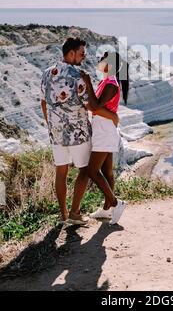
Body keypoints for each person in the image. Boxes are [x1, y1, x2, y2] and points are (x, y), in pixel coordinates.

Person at [40, 38, 118, 225]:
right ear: (71, 53)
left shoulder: (46, 73)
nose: (84, 57)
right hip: (78, 133)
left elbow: (43, 102)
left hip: (56, 133)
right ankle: (75, 213)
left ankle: (64, 215)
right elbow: (92, 106)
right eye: (82, 53)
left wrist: (50, 124)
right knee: (84, 171)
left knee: (61, 172)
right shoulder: (78, 77)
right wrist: (113, 117)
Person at [80, 51, 129, 225]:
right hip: (104, 129)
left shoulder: (111, 84)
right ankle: (108, 209)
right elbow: (96, 106)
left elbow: (94, 106)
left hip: (105, 131)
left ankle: (116, 203)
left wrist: (87, 83)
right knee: (107, 172)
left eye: (102, 60)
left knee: (92, 171)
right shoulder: (106, 81)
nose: (99, 61)